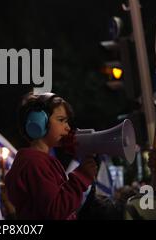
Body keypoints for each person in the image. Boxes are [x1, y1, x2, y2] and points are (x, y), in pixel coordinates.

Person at [5, 92, 98, 220]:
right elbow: (56, 209)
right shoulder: (34, 163)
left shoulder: (40, 161)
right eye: (61, 120)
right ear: (39, 122)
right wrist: (81, 176)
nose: (68, 128)